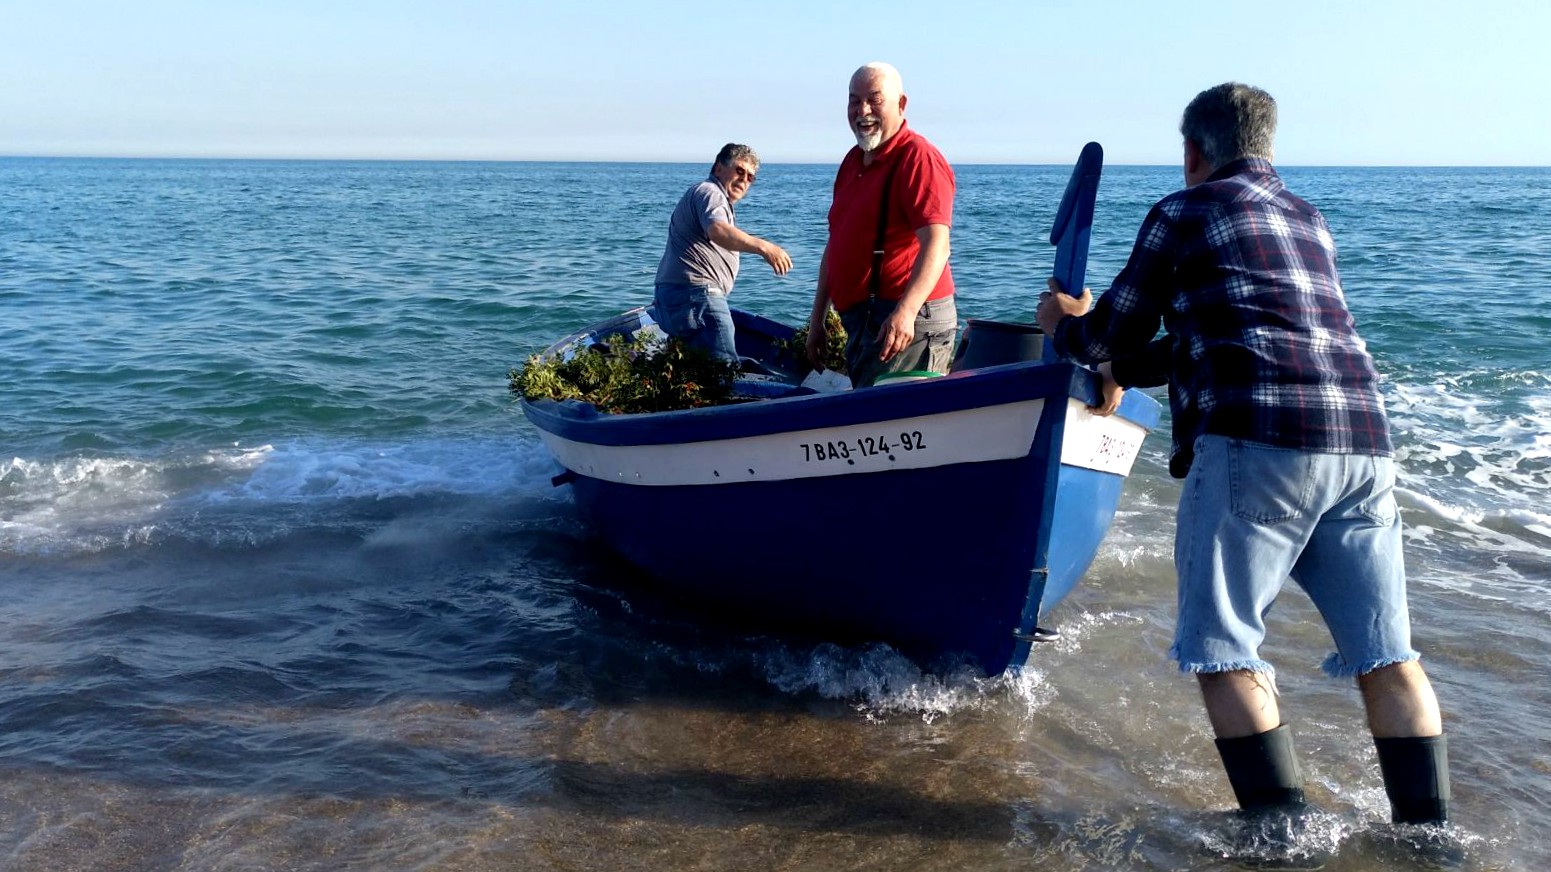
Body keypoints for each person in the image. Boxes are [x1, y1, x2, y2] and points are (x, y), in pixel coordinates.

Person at [1036, 83, 1452, 843]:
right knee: (1386, 654)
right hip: (1363, 442)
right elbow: (1240, 327)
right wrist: (1135, 367)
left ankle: (1279, 837)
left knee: (1222, 649)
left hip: (1258, 440)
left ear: (1194, 150)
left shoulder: (1182, 210)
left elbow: (1107, 332)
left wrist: (1064, 328)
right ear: (1265, 144)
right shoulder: (1306, 217)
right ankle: (1430, 840)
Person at [804, 62, 957, 388]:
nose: (863, 110)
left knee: (895, 426)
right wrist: (817, 320)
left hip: (907, 323)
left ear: (901, 105)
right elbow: (835, 245)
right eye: (854, 100)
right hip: (865, 322)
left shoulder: (918, 158)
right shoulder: (851, 162)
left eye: (875, 100)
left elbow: (937, 246)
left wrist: (905, 314)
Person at [654, 143, 791, 362]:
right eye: (739, 170)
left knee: (693, 370)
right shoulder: (711, 193)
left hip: (676, 297)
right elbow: (717, 230)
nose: (744, 180)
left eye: (750, 177)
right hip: (697, 296)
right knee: (723, 371)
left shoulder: (706, 194)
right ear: (718, 168)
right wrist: (765, 247)